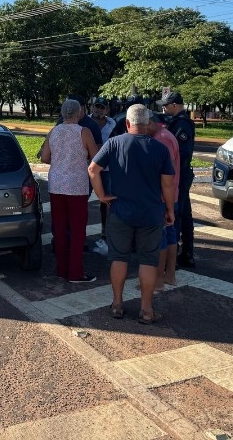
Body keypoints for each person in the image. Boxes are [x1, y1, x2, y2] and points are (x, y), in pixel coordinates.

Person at [88, 104, 175, 324]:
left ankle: (117, 304)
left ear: (127, 123)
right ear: (147, 124)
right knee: (148, 260)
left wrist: (102, 195)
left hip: (120, 211)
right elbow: (167, 184)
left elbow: (92, 169)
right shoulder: (160, 149)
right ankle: (146, 310)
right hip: (151, 213)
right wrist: (170, 209)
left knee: (118, 257)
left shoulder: (114, 143)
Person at [40, 98, 100, 283]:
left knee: (59, 228)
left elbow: (44, 158)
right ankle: (75, 272)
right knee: (77, 230)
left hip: (56, 185)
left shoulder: (54, 131)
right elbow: (96, 156)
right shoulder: (84, 131)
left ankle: (61, 269)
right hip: (77, 186)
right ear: (79, 112)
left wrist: (60, 162)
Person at [157, 91, 196, 268]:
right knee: (184, 214)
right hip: (180, 174)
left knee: (178, 215)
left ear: (174, 105)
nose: (164, 108)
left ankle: (180, 255)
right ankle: (186, 253)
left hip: (180, 175)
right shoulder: (175, 122)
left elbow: (183, 153)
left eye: (165, 105)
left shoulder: (183, 124)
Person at [149, 112, 180, 288]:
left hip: (163, 196)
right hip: (170, 195)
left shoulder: (161, 139)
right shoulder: (166, 135)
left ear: (151, 123)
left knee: (161, 237)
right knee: (170, 235)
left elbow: (165, 172)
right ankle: (169, 275)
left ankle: (159, 280)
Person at [90, 97, 116, 240]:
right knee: (82, 199)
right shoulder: (86, 121)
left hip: (106, 168)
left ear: (106, 110)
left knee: (106, 199)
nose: (98, 110)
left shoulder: (112, 124)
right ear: (92, 107)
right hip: (88, 166)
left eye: (102, 107)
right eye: (97, 106)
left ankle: (106, 231)